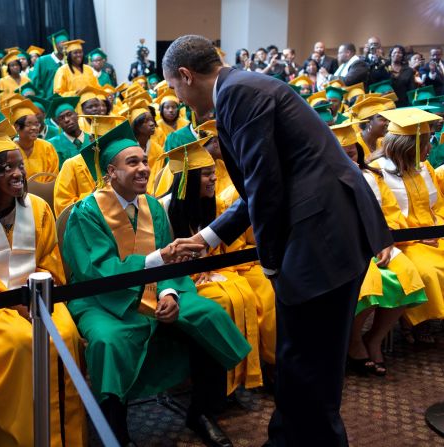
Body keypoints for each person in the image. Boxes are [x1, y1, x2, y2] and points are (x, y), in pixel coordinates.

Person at [162, 35, 392, 446]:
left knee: (310, 364)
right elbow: (262, 185)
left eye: (174, 88)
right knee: (302, 359)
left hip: (321, 236)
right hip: (331, 229)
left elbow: (265, 186)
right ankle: (285, 438)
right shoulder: (243, 86)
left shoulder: (237, 94)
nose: (177, 99)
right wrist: (209, 237)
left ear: (186, 75)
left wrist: (269, 262)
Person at [62, 121, 250, 447]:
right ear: (111, 172)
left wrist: (169, 292)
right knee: (110, 342)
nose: (143, 169)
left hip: (155, 288)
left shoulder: (152, 206)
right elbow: (96, 269)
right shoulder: (87, 212)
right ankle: (117, 434)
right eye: (132, 163)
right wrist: (157, 261)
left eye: (144, 161)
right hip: (103, 299)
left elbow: (171, 263)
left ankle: (202, 411)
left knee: (209, 314)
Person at [0, 120, 85, 447]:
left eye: (19, 165)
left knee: (66, 335)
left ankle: (64, 433)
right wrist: (9, 299)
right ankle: (17, 436)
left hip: (38, 293)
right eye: (5, 168)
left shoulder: (38, 207)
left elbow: (50, 257)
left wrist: (38, 287)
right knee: (21, 343)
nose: (17, 173)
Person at [161, 139, 263, 393]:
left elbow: (220, 247)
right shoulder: (163, 209)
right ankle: (215, 386)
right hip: (179, 282)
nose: (214, 179)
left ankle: (237, 381)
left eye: (214, 173)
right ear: (189, 178)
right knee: (224, 300)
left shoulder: (212, 204)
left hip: (209, 272)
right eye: (206, 174)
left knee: (244, 294)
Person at [330, 119, 427, 376]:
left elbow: (392, 213)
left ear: (359, 149)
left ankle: (374, 337)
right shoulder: (324, 183)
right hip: (347, 249)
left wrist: (385, 239)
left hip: (379, 244)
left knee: (408, 276)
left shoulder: (373, 176)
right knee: (372, 286)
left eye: (351, 149)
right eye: (340, 151)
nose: (347, 154)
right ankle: (353, 341)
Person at [371, 108, 444, 344]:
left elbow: (438, 207)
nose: (430, 150)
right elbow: (382, 217)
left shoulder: (425, 168)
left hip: (433, 236)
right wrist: (418, 238)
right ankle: (418, 322)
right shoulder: (379, 172)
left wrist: (437, 230)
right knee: (428, 270)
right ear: (408, 147)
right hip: (403, 243)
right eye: (424, 145)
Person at [53, 115, 126, 215]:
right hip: (87, 223)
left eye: (112, 141)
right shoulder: (72, 165)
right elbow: (62, 205)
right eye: (102, 139)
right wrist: (93, 196)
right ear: (91, 139)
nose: (109, 145)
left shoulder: (123, 163)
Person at [3, 98, 59, 179]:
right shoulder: (9, 150)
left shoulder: (47, 147)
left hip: (45, 190)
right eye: (29, 124)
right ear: (17, 127)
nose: (34, 128)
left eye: (36, 124)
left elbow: (53, 175)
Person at [46, 95, 88, 169]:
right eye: (61, 118)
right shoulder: (53, 145)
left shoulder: (92, 140)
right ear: (58, 123)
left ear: (77, 115)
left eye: (69, 114)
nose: (66, 120)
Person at [30, 30, 69, 98]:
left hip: (65, 102)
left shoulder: (68, 62)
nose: (65, 46)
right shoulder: (43, 61)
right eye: (63, 43)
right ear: (55, 45)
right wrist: (42, 99)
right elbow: (36, 82)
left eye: (67, 43)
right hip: (48, 101)